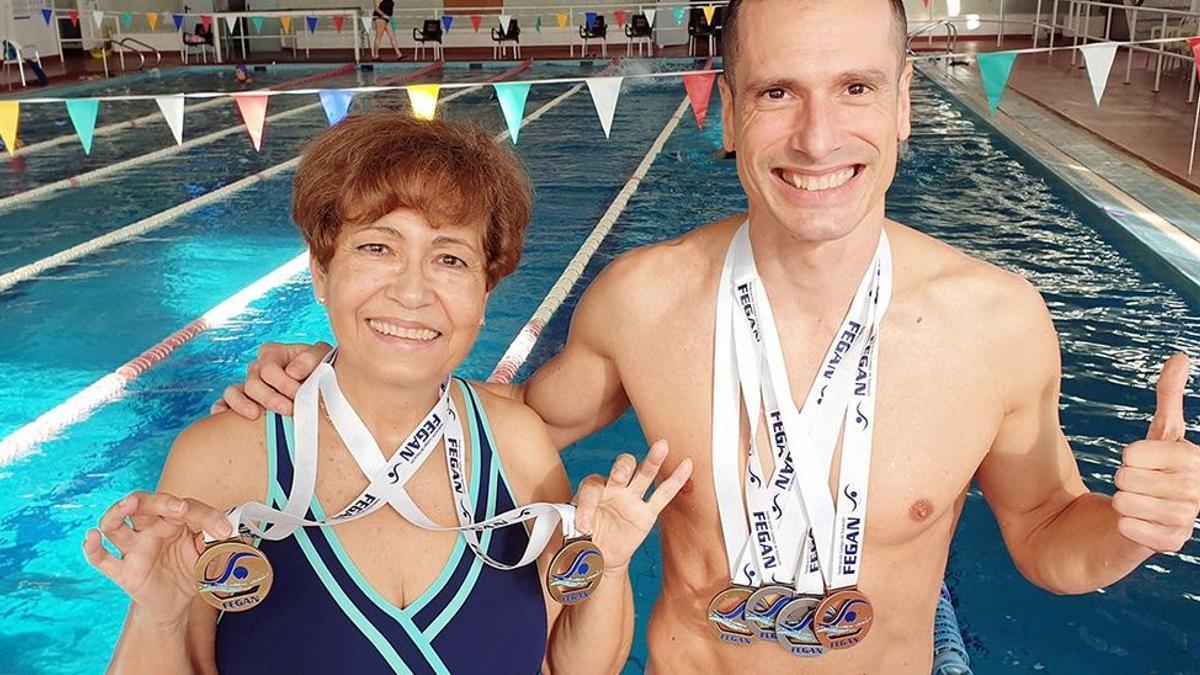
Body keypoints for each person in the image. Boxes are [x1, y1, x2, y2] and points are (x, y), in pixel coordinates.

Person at [216, 0, 1200, 672]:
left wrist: (1130, 529)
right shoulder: (642, 301)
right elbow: (506, 429)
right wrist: (348, 379)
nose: (817, 138)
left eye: (856, 88)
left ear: (906, 103)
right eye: (777, 92)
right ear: (727, 111)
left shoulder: (997, 322)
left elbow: (1041, 535)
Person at [84, 113, 691, 673]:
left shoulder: (516, 447)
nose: (411, 291)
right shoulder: (223, 457)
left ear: (485, 294)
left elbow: (567, 667)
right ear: (322, 272)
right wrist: (158, 615)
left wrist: (609, 567)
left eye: (450, 258)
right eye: (378, 247)